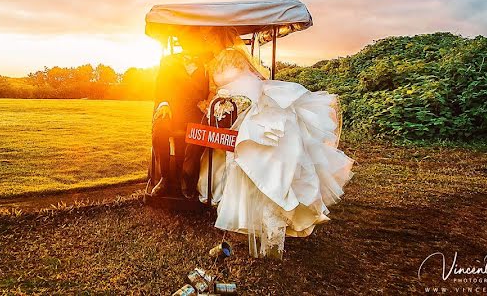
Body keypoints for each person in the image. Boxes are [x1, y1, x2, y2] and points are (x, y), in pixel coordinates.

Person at [196, 27, 354, 259]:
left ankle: (272, 227)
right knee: (250, 168)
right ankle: (262, 225)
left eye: (209, 38)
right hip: (239, 115)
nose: (206, 41)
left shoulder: (231, 58)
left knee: (263, 162)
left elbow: (248, 84)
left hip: (251, 113)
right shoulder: (220, 63)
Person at [150, 27, 212, 199]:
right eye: (188, 42)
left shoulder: (207, 64)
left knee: (198, 131)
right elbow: (160, 87)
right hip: (173, 110)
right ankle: (165, 178)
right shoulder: (168, 61)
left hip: (196, 112)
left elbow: (212, 89)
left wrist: (207, 103)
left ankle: (187, 178)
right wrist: (164, 104)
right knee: (160, 128)